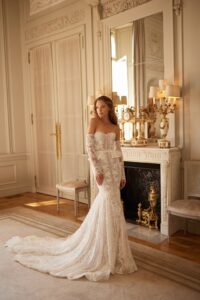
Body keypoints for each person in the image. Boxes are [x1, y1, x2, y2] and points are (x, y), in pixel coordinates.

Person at [5, 95, 137, 281]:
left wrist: (122, 175)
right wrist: (96, 171)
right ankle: (98, 247)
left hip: (115, 170)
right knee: (108, 202)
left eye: (102, 107)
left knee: (113, 206)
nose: (99, 110)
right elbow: (90, 150)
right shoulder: (93, 122)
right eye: (96, 107)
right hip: (102, 170)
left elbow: (119, 153)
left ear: (109, 107)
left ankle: (113, 249)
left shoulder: (116, 127)